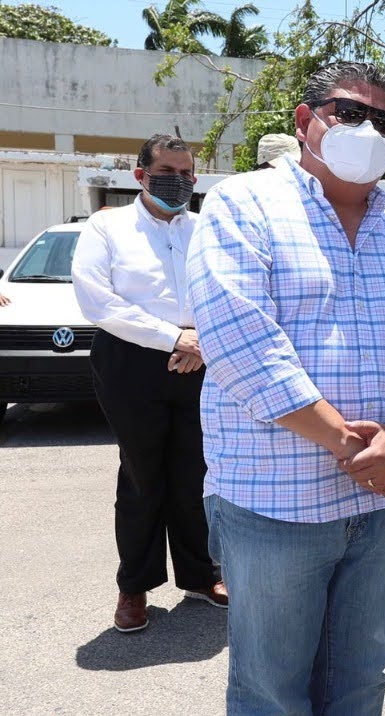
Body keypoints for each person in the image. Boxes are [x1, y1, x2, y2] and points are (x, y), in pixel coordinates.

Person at [187, 61, 385, 716]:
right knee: (272, 698)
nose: (367, 130)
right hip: (274, 506)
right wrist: (349, 442)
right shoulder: (243, 206)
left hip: (374, 508)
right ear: (306, 120)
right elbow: (241, 344)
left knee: (359, 686)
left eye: (384, 121)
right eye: (347, 112)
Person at [71, 133, 226, 634]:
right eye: (167, 172)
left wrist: (198, 340)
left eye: (186, 173)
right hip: (131, 361)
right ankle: (134, 586)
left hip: (199, 359)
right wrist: (170, 338)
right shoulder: (107, 225)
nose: (178, 181)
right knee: (142, 475)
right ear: (140, 175)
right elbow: (98, 300)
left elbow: (229, 290)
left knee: (195, 472)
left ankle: (200, 575)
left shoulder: (207, 229)